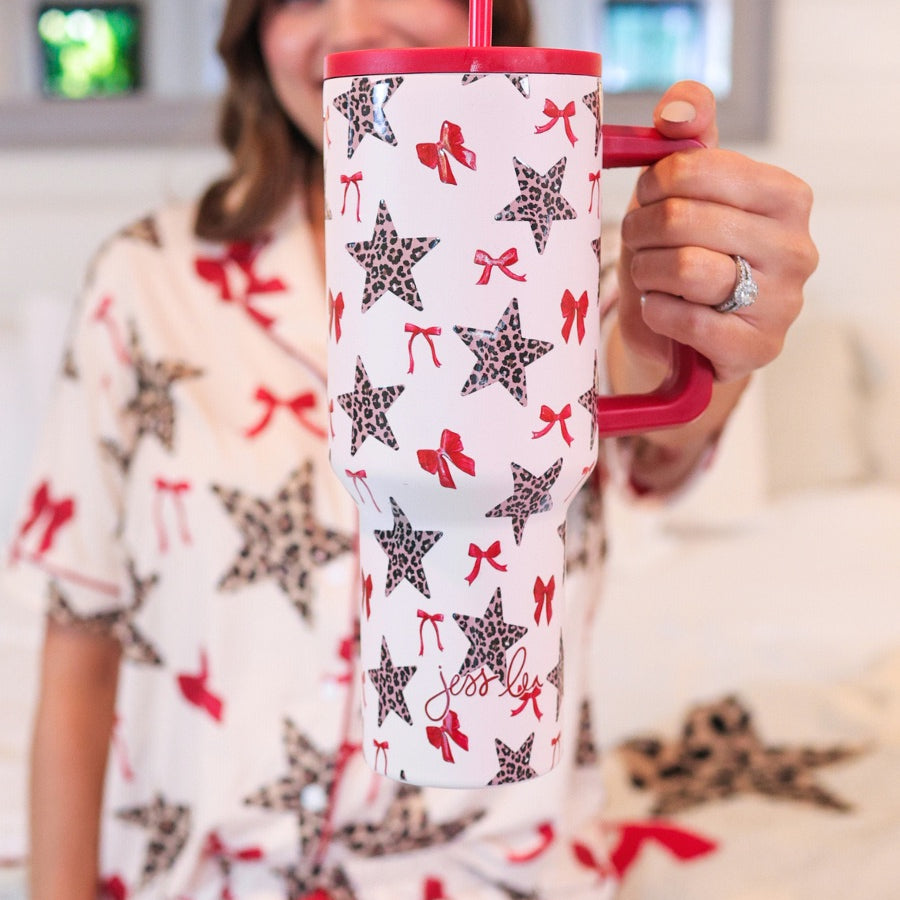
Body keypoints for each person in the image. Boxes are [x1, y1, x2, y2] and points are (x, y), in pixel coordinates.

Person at [4, 0, 817, 897]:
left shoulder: (548, 255)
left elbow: (654, 421)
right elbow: (79, 628)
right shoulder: (146, 281)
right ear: (251, 33)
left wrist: (712, 323)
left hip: (496, 875)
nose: (348, 27)